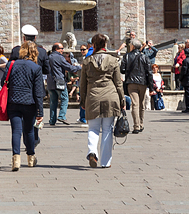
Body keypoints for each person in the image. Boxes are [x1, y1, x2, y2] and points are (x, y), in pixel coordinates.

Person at [79, 33, 125, 169]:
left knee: (93, 127)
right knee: (107, 129)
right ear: (105, 45)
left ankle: (92, 151)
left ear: (93, 45)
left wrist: (83, 100)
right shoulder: (113, 60)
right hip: (110, 95)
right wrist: (122, 99)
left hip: (93, 96)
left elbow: (83, 84)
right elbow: (118, 83)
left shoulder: (87, 61)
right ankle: (106, 162)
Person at [5, 41, 44, 171]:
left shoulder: (11, 64)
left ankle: (16, 158)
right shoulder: (36, 68)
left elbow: (3, 82)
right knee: (29, 131)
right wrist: (40, 112)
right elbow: (38, 92)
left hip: (13, 101)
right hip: (30, 103)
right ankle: (31, 158)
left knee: (16, 131)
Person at [121, 37, 153, 133]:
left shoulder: (126, 56)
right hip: (143, 83)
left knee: (135, 104)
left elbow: (122, 69)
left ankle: (136, 126)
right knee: (141, 104)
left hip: (131, 82)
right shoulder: (145, 57)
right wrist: (151, 87)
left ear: (133, 46)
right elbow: (149, 72)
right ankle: (141, 124)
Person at [46, 41, 80, 125]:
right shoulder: (59, 57)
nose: (63, 50)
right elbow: (69, 68)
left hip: (50, 82)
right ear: (56, 49)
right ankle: (61, 116)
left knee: (53, 101)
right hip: (59, 81)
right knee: (65, 98)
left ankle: (52, 120)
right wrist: (79, 67)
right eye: (61, 48)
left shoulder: (48, 57)